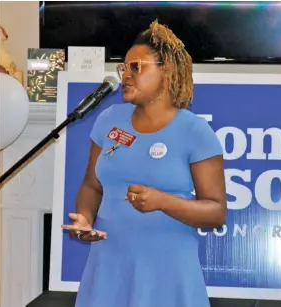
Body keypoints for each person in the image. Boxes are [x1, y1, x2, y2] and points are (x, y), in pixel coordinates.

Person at [62, 19, 227, 307]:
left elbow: (215, 212)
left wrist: (163, 201)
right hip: (108, 266)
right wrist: (85, 217)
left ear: (167, 71)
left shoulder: (195, 132)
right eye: (123, 68)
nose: (126, 75)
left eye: (136, 67)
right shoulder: (109, 119)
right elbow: (92, 184)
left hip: (166, 273)